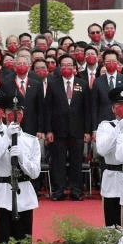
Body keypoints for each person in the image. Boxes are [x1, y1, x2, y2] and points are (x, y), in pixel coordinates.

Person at [0, 93, 41, 244]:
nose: (14, 116)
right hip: (4, 196)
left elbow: (35, 172)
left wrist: (22, 158)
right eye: (10, 113)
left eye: (18, 112)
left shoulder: (31, 140)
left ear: (23, 115)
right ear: (4, 115)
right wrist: (7, 138)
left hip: (24, 196)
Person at [44, 53, 91, 201]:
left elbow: (87, 110)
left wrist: (87, 131)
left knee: (76, 162)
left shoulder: (82, 84)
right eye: (63, 65)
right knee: (58, 162)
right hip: (58, 131)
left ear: (74, 68)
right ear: (59, 68)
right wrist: (49, 130)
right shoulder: (53, 84)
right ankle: (59, 191)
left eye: (69, 65)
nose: (66, 68)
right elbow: (48, 109)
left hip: (77, 130)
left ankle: (77, 190)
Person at [95, 85, 123, 228]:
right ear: (112, 108)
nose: (122, 108)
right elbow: (102, 150)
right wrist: (117, 130)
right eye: (119, 105)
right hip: (112, 177)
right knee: (112, 224)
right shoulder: (106, 126)